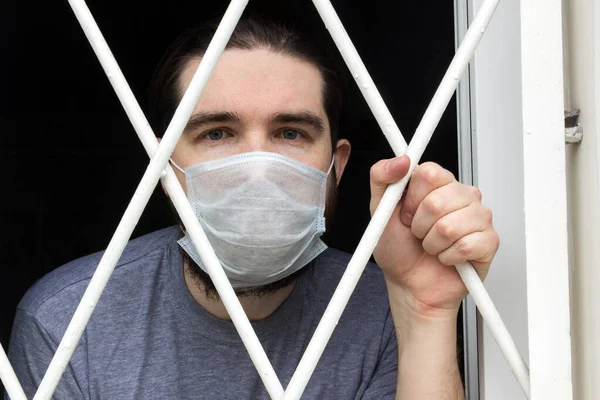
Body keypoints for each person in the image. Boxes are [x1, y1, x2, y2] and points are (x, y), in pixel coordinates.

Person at [6, 18, 498, 399]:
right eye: (216, 133)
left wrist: (424, 310)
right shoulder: (69, 319)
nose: (257, 171)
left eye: (290, 133)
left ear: (336, 165)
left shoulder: (384, 311)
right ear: (163, 165)